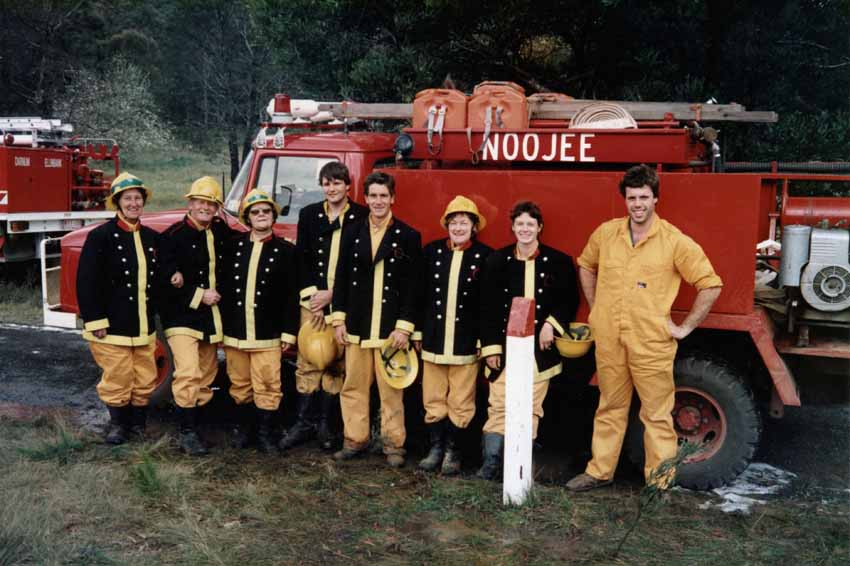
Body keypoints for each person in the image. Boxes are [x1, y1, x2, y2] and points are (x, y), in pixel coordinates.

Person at [565, 164, 722, 492]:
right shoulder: (606, 234)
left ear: (655, 199)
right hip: (610, 338)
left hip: (651, 342)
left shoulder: (674, 241)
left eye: (644, 197)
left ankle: (659, 482)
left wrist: (685, 327)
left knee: (657, 414)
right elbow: (585, 264)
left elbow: (710, 284)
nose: (637, 204)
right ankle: (599, 472)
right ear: (625, 199)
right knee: (609, 406)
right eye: (632, 197)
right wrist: (597, 307)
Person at [477, 201, 579, 480]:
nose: (525, 229)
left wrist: (551, 325)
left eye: (530, 224)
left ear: (539, 227)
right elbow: (486, 308)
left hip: (539, 350)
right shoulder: (497, 261)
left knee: (531, 408)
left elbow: (568, 300)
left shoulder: (558, 261)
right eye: (520, 224)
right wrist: (491, 348)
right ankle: (491, 465)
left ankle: (520, 466)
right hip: (504, 348)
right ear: (512, 227)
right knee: (499, 404)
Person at [331, 171, 423, 468]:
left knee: (391, 390)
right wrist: (338, 320)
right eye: (373, 196)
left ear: (393, 198)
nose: (378, 201)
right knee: (353, 386)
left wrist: (404, 327)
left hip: (390, 330)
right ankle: (354, 440)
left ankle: (393, 444)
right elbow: (341, 278)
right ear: (366, 198)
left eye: (384, 195)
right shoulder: (351, 231)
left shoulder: (408, 235)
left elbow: (413, 287)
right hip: (357, 325)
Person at [280, 162, 368, 452]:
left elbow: (361, 266)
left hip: (342, 302)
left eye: (337, 183)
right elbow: (301, 259)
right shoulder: (309, 214)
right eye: (327, 183)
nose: (332, 188)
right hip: (312, 303)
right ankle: (303, 423)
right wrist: (313, 300)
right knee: (308, 360)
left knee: (335, 362)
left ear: (348, 186)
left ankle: (326, 425)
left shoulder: (361, 217)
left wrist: (333, 296)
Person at [77, 172, 159, 444]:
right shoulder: (100, 236)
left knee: (145, 376)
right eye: (127, 199)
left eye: (138, 198)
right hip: (112, 324)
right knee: (118, 376)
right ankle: (118, 426)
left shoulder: (150, 237)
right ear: (117, 202)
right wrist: (95, 320)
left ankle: (138, 426)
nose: (134, 203)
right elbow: (86, 281)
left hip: (143, 323)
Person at [413, 196, 492, 475]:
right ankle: (435, 448)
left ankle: (453, 452)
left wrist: (484, 341)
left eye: (464, 222)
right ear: (447, 225)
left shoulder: (485, 256)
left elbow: (487, 304)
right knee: (433, 397)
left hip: (466, 341)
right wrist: (417, 331)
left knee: (461, 400)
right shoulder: (431, 252)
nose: (458, 227)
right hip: (434, 338)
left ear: (474, 227)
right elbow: (419, 295)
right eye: (454, 222)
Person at [159, 176, 233, 456]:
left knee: (207, 373)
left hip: (210, 318)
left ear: (217, 209)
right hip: (181, 317)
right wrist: (198, 294)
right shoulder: (172, 236)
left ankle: (197, 426)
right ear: (189, 204)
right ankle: (186, 434)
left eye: (211, 204)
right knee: (188, 372)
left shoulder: (221, 231)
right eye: (200, 202)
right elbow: (162, 281)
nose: (205, 207)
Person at [219, 189, 299, 453]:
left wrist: (289, 332)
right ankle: (245, 431)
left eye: (266, 211)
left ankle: (266, 434)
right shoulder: (232, 247)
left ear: (273, 216)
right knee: (240, 383)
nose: (261, 215)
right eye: (255, 212)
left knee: (268, 384)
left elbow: (291, 295)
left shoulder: (286, 251)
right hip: (236, 331)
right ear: (247, 217)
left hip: (268, 331)